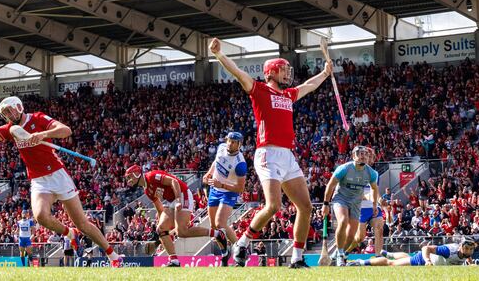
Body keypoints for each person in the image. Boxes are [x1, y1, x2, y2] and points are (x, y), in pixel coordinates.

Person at [0, 96, 122, 267]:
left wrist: (43, 134)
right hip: (38, 180)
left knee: (82, 223)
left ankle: (113, 256)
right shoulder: (10, 130)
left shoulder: (37, 118)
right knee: (41, 216)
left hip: (57, 175)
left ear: (19, 107)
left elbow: (66, 130)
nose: (9, 115)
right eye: (5, 113)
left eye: (10, 110)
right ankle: (70, 234)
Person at [209, 37, 334, 268]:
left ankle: (297, 259)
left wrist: (325, 74)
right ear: (270, 73)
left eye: (288, 70)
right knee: (274, 206)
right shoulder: (260, 90)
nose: (287, 74)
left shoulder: (288, 95)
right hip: (267, 154)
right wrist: (219, 55)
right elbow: (238, 73)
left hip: (287, 155)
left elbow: (308, 86)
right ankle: (243, 242)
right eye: (283, 70)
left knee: (305, 207)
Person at [124, 164, 227, 266]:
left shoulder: (151, 176)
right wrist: (163, 231)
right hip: (170, 201)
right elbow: (160, 209)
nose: (129, 180)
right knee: (160, 229)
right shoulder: (147, 191)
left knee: (182, 232)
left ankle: (217, 234)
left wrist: (178, 200)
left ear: (137, 174)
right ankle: (174, 261)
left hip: (182, 193)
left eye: (129, 177)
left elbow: (174, 181)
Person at [320, 146, 379, 266]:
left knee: (351, 235)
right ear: (353, 156)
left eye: (365, 154)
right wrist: (325, 204)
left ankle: (336, 254)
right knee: (343, 221)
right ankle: (341, 255)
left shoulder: (371, 173)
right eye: (360, 154)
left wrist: (374, 204)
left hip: (356, 203)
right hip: (341, 198)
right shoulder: (344, 168)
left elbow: (374, 188)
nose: (363, 156)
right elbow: (331, 185)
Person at [202, 131, 248, 265]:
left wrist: (221, 184)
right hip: (214, 189)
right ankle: (225, 253)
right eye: (229, 140)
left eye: (233, 142)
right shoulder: (221, 147)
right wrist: (208, 174)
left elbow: (240, 188)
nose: (230, 143)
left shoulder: (240, 164)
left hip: (229, 192)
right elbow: (216, 163)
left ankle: (240, 249)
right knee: (213, 228)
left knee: (220, 223)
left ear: (239, 144)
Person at [349, 238, 476, 266]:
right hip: (423, 259)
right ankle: (360, 262)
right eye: (466, 248)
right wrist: (427, 261)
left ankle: (389, 253)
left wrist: (471, 264)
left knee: (407, 256)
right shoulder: (449, 251)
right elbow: (426, 248)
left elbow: (466, 257)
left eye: (471, 249)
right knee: (391, 264)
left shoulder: (466, 253)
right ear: (460, 247)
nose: (468, 251)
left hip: (431, 260)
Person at [352, 147, 385, 256]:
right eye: (368, 156)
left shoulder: (375, 174)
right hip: (360, 208)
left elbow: (375, 190)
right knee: (359, 238)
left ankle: (378, 256)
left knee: (379, 228)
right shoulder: (354, 172)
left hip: (373, 207)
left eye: (371, 157)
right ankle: (343, 252)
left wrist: (380, 200)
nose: (370, 158)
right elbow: (359, 193)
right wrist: (370, 197)